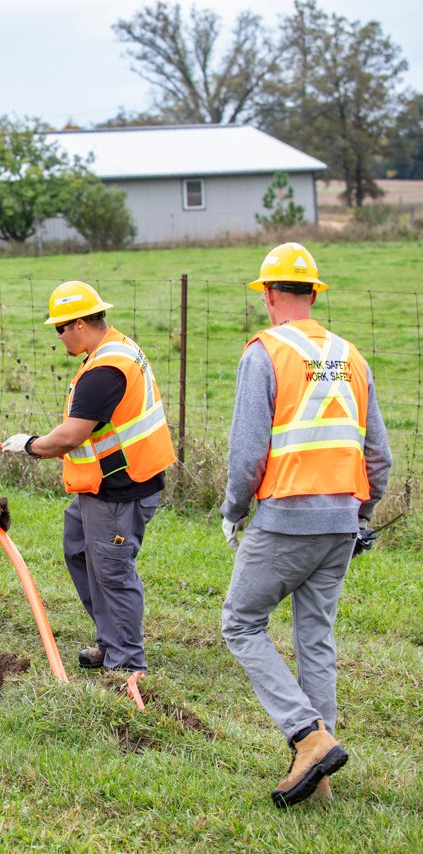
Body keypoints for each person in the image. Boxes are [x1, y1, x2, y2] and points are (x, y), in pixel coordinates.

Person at [220, 242, 391, 808]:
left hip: (285, 518)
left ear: (268, 295)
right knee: (314, 638)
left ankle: (308, 735)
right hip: (342, 520)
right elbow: (379, 459)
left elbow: (247, 455)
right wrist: (360, 516)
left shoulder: (264, 352)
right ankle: (320, 780)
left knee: (241, 624)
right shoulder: (351, 356)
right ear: (313, 294)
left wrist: (233, 510)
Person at [2, 281, 176, 674]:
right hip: (101, 486)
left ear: (80, 323)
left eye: (60, 328)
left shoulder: (105, 370)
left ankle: (127, 664)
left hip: (120, 489)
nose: (58, 336)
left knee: (112, 570)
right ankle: (110, 640)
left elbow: (71, 437)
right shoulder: (112, 348)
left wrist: (31, 445)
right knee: (78, 546)